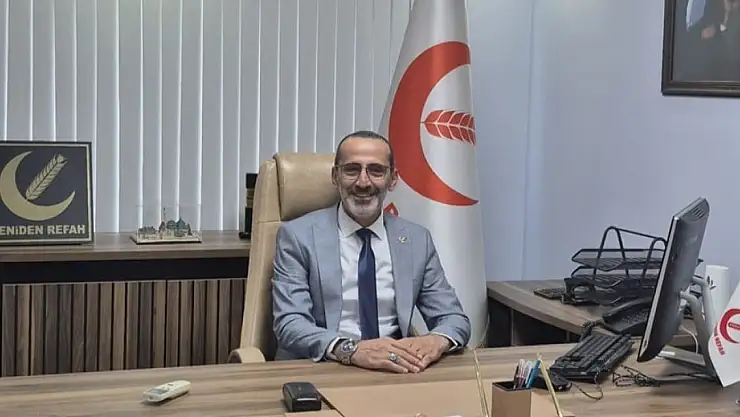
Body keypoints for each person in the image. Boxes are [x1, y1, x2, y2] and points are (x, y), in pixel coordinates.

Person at [271, 130, 471, 373]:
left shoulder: (417, 239)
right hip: (323, 367)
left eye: (376, 171)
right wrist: (351, 350)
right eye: (352, 170)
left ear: (393, 179)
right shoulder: (297, 236)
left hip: (395, 368)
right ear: (335, 176)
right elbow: (290, 324)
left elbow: (454, 318)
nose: (363, 183)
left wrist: (435, 341)